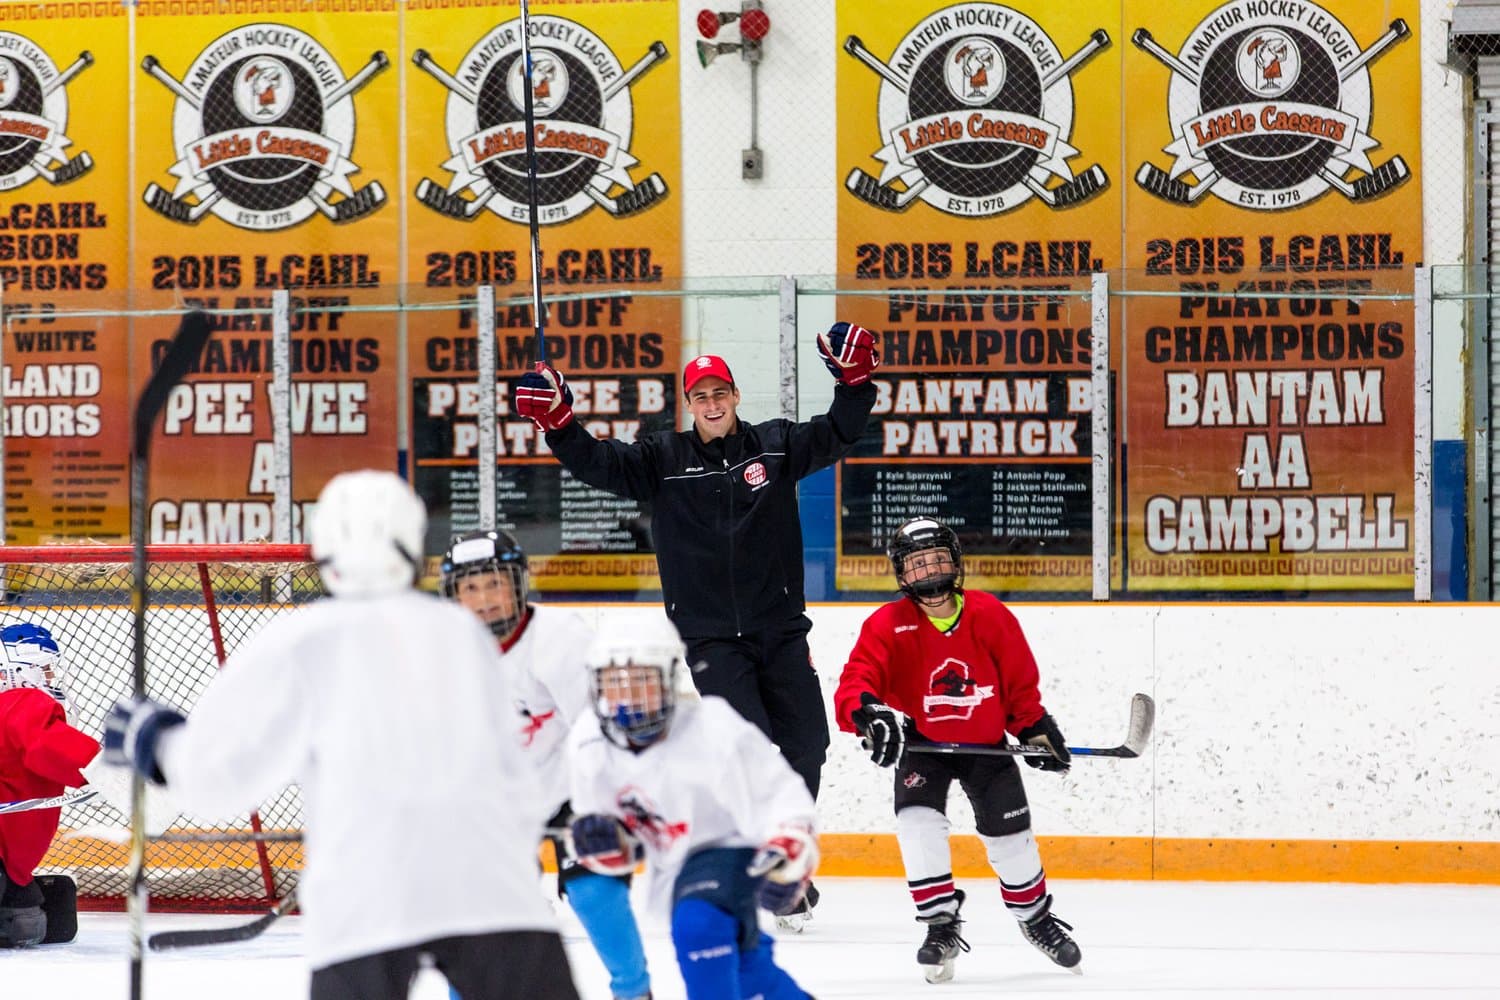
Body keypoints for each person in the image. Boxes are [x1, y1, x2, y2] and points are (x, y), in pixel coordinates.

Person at [104, 470, 579, 1000]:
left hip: (364, 901)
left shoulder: (299, 639)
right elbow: (514, 778)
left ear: (323, 548)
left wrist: (155, 740)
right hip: (495, 891)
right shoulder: (462, 634)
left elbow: (217, 780)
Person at [515, 322, 880, 927]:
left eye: (720, 393)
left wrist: (857, 382)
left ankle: (784, 853)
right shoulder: (663, 458)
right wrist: (560, 426)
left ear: (735, 396)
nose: (711, 404)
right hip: (710, 639)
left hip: (782, 629)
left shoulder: (776, 446)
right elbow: (599, 465)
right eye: (700, 396)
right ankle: (768, 867)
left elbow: (840, 430)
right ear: (689, 405)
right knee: (748, 746)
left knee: (808, 744)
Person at [831, 516, 1081, 983]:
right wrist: (867, 713)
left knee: (1011, 839)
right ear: (902, 574)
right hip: (924, 747)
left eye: (938, 559)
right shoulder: (886, 624)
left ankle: (1035, 918)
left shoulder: (990, 614)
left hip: (986, 746)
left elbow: (1020, 689)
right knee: (917, 823)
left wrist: (1035, 730)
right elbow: (855, 683)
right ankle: (941, 924)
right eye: (918, 564)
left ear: (956, 562)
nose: (929, 571)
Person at [439, 530, 651, 1000]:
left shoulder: (561, 638)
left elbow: (600, 728)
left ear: (518, 584)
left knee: (594, 893)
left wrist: (606, 806)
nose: (483, 600)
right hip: (496, 803)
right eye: (469, 588)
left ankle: (635, 991)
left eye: (493, 583)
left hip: (573, 787)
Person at [566, 614, 819, 1000]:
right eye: (616, 682)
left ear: (669, 679)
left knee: (699, 927)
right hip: (672, 869)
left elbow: (782, 796)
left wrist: (789, 854)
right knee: (749, 971)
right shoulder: (587, 742)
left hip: (733, 850)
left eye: (642, 680)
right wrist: (604, 843)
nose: (630, 695)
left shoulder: (715, 729)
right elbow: (616, 845)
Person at [0, 623, 95, 948]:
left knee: (52, 912)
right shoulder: (18, 701)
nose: (51, 677)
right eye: (44, 668)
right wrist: (104, 767)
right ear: (11, 671)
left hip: (8, 864)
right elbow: (49, 744)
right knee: (30, 916)